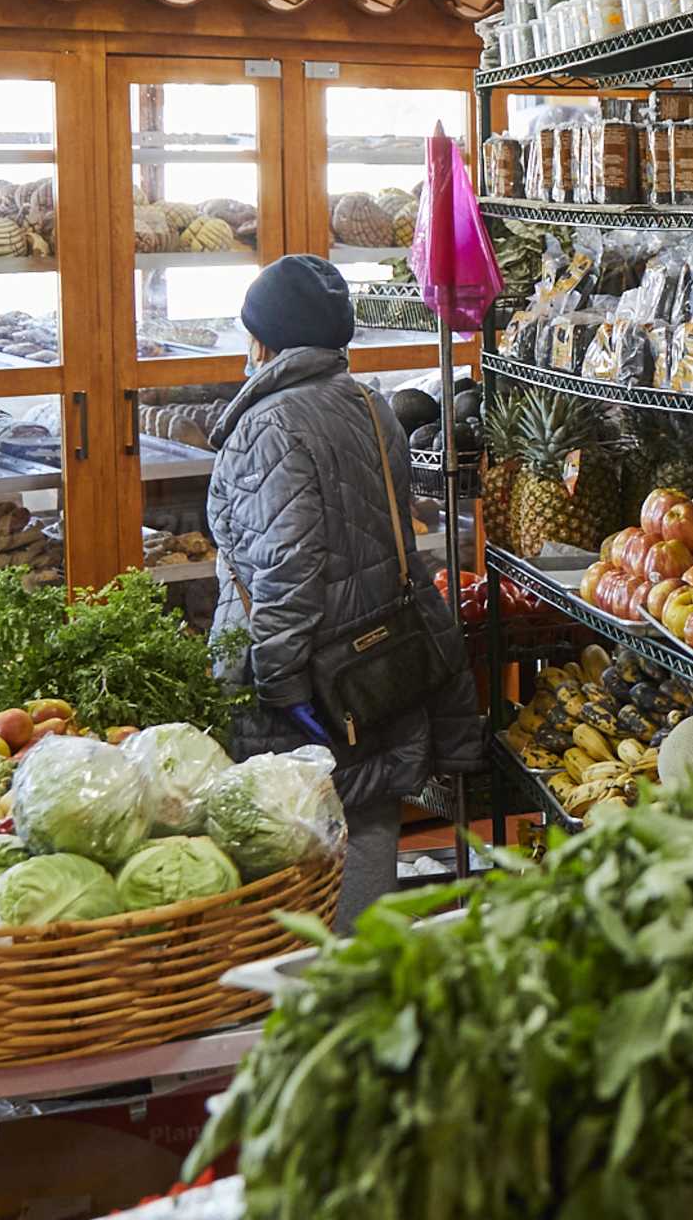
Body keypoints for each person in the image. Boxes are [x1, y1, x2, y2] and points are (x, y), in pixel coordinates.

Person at [206, 254, 484, 922]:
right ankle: (366, 980)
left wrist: (275, 686)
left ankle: (315, 994)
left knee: (290, 839)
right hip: (375, 662)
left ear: (264, 339)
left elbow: (286, 573)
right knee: (368, 816)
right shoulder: (370, 404)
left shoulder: (269, 427)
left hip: (309, 674)